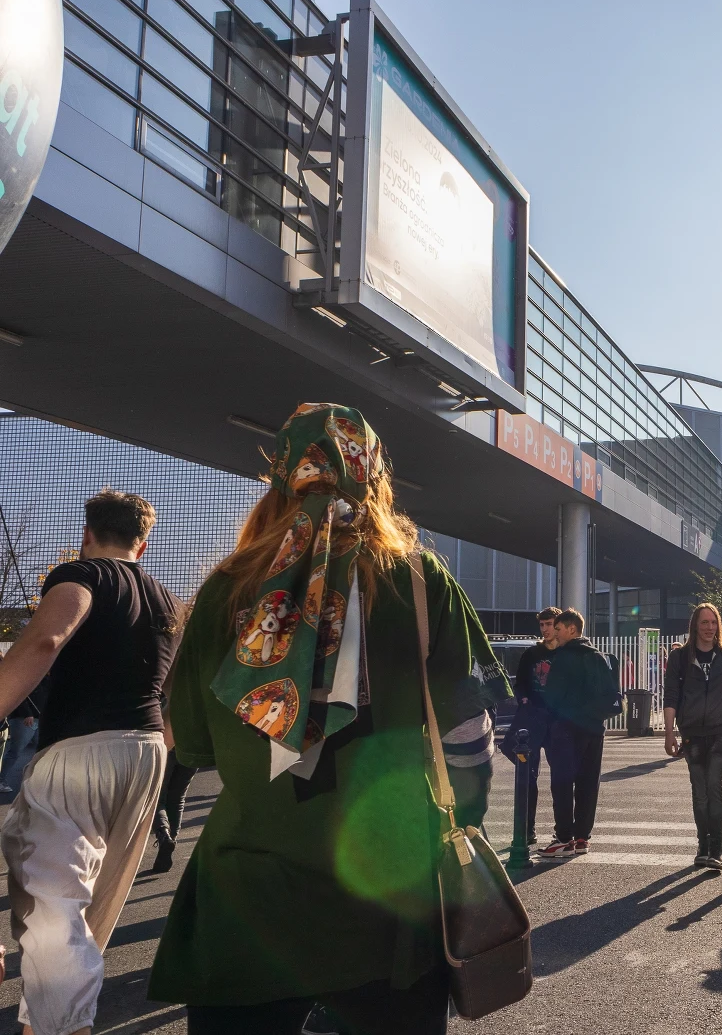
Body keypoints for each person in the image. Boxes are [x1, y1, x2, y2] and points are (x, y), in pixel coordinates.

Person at [145, 404, 510, 1034]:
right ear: (373, 478)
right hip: (389, 893)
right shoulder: (421, 581)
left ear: (285, 478)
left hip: (248, 891)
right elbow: (467, 737)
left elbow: (194, 744)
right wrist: (461, 819)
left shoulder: (228, 587)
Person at [0, 489, 180, 1035]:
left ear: (87, 532)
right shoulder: (168, 601)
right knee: (91, 907)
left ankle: (62, 1027)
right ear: (142, 543)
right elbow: (175, 689)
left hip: (79, 750)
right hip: (148, 750)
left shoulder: (80, 576)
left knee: (53, 905)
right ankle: (46, 1020)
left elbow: (47, 638)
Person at [663, 603, 722, 868]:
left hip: (720, 730)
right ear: (695, 626)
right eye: (704, 623)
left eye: (713, 623)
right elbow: (671, 695)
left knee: (714, 787)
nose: (709, 628)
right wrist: (669, 733)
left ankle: (717, 848)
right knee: (699, 791)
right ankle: (703, 845)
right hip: (691, 732)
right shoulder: (680, 657)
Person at [537, 608, 620, 859]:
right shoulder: (599, 657)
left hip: (566, 729)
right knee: (587, 783)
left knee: (562, 783)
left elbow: (552, 696)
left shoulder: (564, 657)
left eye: (559, 629)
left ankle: (563, 838)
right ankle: (583, 837)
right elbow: (612, 697)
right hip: (594, 730)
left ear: (572, 629)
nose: (555, 634)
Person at [510, 606, 561, 845]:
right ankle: (528, 830)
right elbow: (519, 683)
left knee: (560, 777)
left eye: (549, 624)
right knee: (527, 777)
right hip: (531, 719)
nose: (545, 629)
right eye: (542, 625)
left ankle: (562, 831)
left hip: (557, 721)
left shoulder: (565, 653)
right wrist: (524, 699)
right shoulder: (531, 654)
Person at [150, 748, 200, 874]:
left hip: (166, 746)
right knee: (177, 799)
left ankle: (163, 833)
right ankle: (170, 839)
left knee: (156, 799)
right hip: (191, 749)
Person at [0, 679, 45, 796]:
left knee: (41, 751)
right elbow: (19, 695)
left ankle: (35, 781)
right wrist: (27, 713)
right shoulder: (33, 674)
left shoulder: (43, 677)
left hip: (37, 718)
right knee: (15, 752)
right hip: (24, 719)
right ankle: (1, 780)